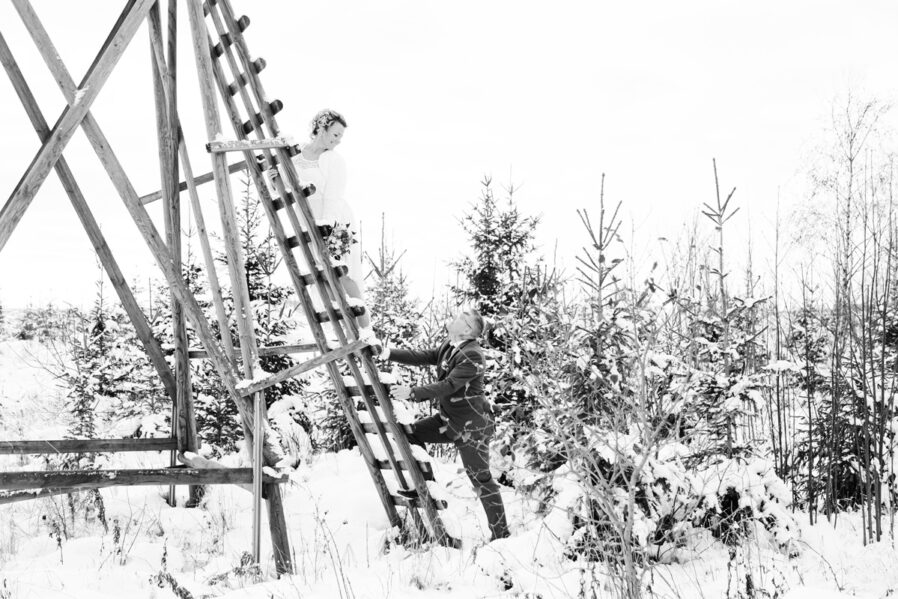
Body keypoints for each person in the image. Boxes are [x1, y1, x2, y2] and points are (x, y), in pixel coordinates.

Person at [380, 309, 511, 541]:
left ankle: (501, 535)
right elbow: (423, 356)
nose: (455, 318)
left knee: (480, 479)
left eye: (461, 318)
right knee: (411, 434)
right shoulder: (449, 346)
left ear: (468, 330)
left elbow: (449, 385)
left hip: (472, 429)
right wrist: (387, 352)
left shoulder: (473, 355)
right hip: (447, 422)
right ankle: (426, 486)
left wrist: (412, 392)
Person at [287, 109, 370, 328]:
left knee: (342, 272)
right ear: (321, 129)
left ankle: (365, 330)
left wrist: (326, 227)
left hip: (336, 223)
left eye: (341, 136)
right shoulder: (296, 155)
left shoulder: (334, 160)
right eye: (335, 134)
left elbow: (334, 197)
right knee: (324, 275)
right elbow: (288, 186)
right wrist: (274, 177)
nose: (338, 140)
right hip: (308, 222)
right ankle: (345, 330)